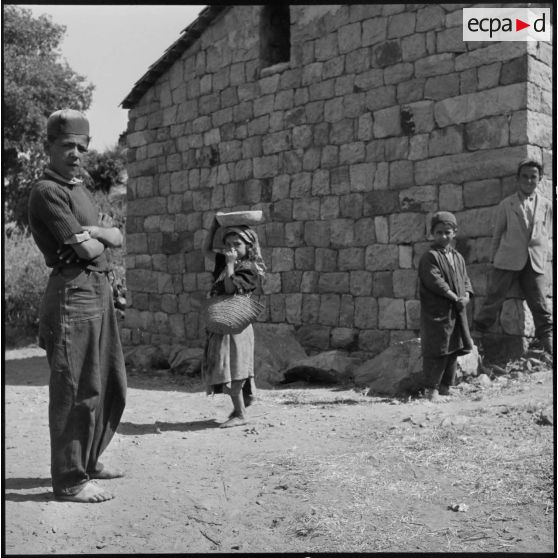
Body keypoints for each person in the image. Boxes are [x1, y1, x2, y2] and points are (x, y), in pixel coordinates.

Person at [28, 109, 127, 503]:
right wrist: (102, 237)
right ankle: (70, 480)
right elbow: (85, 247)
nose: (75, 153)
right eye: (66, 145)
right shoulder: (47, 191)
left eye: (81, 147)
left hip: (98, 290)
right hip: (73, 296)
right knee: (76, 388)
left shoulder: (79, 189)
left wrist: (99, 232)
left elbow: (114, 236)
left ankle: (89, 459)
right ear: (48, 146)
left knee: (108, 383)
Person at [473, 159, 553, 354]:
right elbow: (497, 234)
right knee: (494, 298)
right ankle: (476, 336)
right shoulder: (507, 204)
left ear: (540, 179)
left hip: (535, 261)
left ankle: (549, 343)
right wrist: (494, 259)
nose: (528, 180)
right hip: (508, 260)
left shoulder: (547, 205)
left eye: (533, 177)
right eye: (524, 176)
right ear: (517, 179)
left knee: (540, 302)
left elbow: (547, 233)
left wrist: (545, 257)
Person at [201, 220, 266, 428]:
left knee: (234, 370)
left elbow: (230, 290)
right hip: (223, 327)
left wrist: (230, 265)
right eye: (228, 244)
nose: (231, 249)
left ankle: (240, 414)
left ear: (249, 247)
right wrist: (214, 225)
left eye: (237, 244)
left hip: (237, 328)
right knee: (227, 367)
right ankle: (243, 404)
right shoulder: (225, 261)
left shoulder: (249, 269)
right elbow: (205, 250)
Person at [418, 211, 474, 402]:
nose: (443, 236)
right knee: (438, 349)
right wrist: (454, 297)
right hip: (438, 313)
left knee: (453, 348)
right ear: (432, 233)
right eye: (439, 232)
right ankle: (431, 390)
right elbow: (436, 282)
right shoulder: (429, 257)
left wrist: (466, 296)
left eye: (447, 232)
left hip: (456, 311)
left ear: (454, 233)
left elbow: (466, 280)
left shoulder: (457, 257)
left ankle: (445, 387)